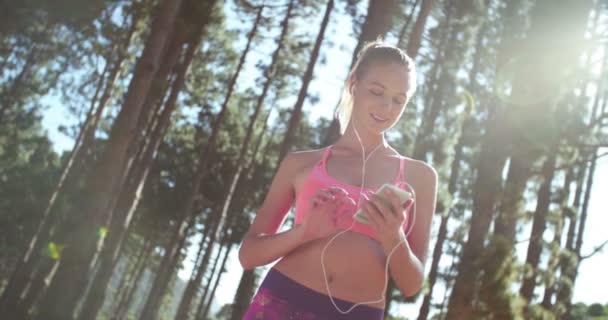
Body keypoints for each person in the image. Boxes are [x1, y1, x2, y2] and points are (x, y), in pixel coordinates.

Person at [238, 39, 438, 320]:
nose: (386, 106)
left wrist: (393, 237)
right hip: (280, 301)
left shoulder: (420, 177)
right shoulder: (301, 163)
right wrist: (305, 232)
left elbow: (412, 285)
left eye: (398, 99)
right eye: (377, 91)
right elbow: (248, 254)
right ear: (354, 83)